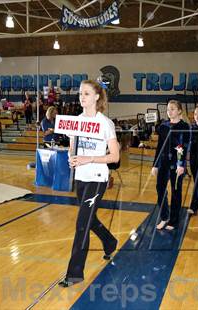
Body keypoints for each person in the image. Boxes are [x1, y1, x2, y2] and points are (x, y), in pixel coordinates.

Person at [59, 79, 119, 287]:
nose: (81, 97)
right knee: (89, 219)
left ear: (96, 97)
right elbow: (72, 146)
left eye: (85, 93)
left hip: (97, 178)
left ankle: (75, 273)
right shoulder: (75, 121)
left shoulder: (105, 124)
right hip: (81, 178)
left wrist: (89, 159)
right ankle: (110, 241)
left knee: (82, 224)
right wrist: (71, 156)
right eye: (80, 93)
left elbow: (115, 157)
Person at [152, 100, 190, 230]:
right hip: (163, 162)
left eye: (172, 109)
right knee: (160, 188)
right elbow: (159, 147)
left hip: (176, 164)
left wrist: (181, 164)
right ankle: (164, 217)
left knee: (175, 191)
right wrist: (155, 165)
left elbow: (183, 147)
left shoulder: (185, 127)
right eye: (168, 109)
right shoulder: (163, 126)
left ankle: (174, 220)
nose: (169, 111)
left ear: (179, 110)